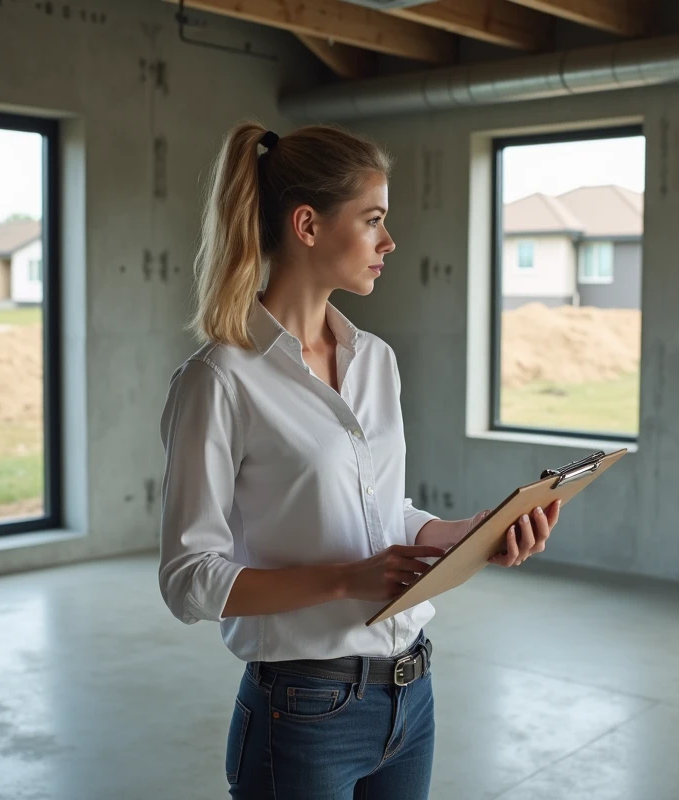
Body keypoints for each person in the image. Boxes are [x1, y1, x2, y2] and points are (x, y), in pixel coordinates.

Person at [157, 121, 563, 799]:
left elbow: (383, 512)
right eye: (372, 220)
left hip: (412, 696)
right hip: (303, 714)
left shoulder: (375, 360)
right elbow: (188, 580)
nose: (389, 241)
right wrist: (348, 580)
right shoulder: (219, 380)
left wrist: (471, 533)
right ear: (308, 225)